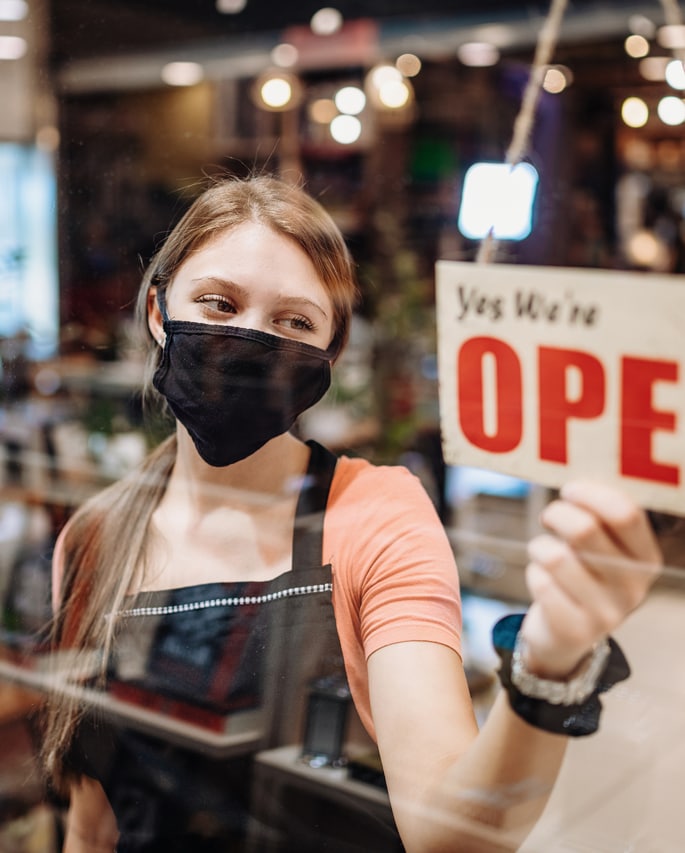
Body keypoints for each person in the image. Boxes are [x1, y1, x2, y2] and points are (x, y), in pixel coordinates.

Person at [45, 174, 662, 853]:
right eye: (219, 303)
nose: (249, 337)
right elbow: (93, 826)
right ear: (161, 313)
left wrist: (549, 662)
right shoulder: (95, 537)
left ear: (327, 356)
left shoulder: (377, 516)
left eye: (293, 321)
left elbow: (448, 833)